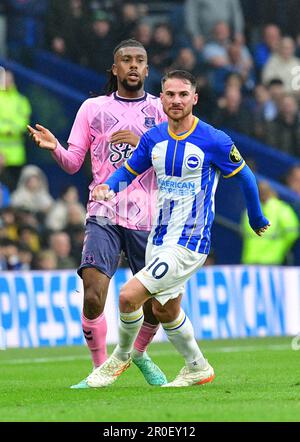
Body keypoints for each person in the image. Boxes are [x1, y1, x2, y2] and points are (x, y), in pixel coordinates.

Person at [87, 70, 270, 388]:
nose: (176, 100)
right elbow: (128, 171)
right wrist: (108, 187)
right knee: (164, 309)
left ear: (194, 99)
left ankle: (119, 359)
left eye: (183, 94)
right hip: (158, 238)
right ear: (162, 99)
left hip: (190, 240)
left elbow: (246, 177)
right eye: (170, 94)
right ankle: (198, 367)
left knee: (129, 296)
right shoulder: (153, 138)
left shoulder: (213, 139)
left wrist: (255, 217)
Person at [27, 39, 168, 388]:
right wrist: (55, 147)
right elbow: (74, 163)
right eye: (126, 61)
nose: (133, 66)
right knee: (92, 293)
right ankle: (100, 367)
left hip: (148, 215)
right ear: (115, 69)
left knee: (153, 305)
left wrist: (142, 146)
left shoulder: (163, 110)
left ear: (147, 70)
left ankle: (137, 354)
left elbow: (177, 163)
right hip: (104, 210)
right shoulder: (92, 108)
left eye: (139, 61)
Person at [241, 180, 299, 265]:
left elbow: (292, 233)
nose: (262, 193)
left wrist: (281, 247)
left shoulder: (281, 209)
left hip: (269, 260)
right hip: (252, 259)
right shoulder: (250, 209)